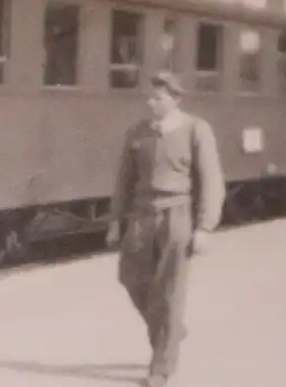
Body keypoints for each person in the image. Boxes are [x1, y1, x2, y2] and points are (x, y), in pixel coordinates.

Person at [107, 70, 225, 387]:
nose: (151, 102)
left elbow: (211, 180)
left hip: (178, 215)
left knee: (170, 290)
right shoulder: (138, 132)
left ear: (176, 99)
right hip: (142, 215)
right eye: (150, 96)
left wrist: (205, 227)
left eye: (158, 97)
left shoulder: (196, 129)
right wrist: (116, 222)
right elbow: (123, 182)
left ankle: (162, 366)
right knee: (129, 277)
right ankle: (171, 331)